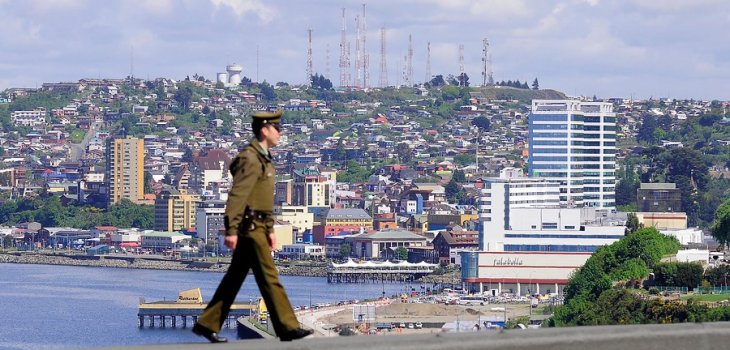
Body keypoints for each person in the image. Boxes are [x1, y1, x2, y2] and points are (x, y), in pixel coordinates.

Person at [192, 110, 313, 343]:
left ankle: (207, 323)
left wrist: (270, 230)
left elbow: (263, 201)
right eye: (277, 128)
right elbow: (238, 196)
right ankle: (287, 327)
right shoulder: (250, 158)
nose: (280, 133)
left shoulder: (264, 159)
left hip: (259, 227)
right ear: (264, 130)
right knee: (269, 276)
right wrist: (231, 229)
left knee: (235, 277)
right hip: (249, 228)